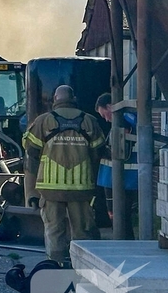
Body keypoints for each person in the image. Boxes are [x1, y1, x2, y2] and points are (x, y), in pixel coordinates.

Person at [23, 85, 106, 264]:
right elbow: (99, 151)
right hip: (81, 188)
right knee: (83, 231)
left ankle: (56, 265)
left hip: (50, 189)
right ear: (73, 98)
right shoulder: (89, 121)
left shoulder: (43, 121)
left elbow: (31, 150)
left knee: (54, 230)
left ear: (55, 99)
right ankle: (84, 267)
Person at [94, 93, 138, 229]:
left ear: (109, 107)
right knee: (121, 217)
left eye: (104, 114)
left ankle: (124, 240)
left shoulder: (123, 122)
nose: (106, 119)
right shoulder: (129, 119)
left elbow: (121, 148)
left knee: (120, 218)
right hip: (118, 178)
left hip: (120, 178)